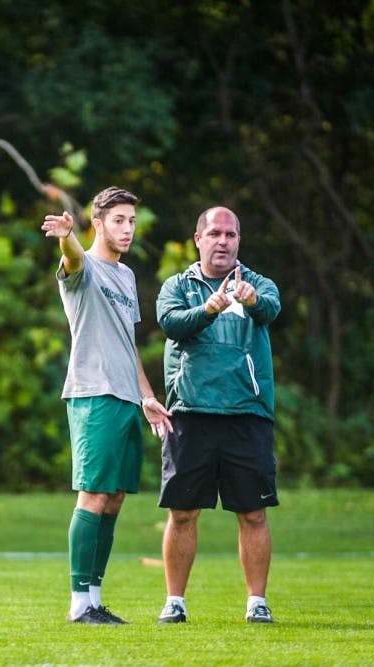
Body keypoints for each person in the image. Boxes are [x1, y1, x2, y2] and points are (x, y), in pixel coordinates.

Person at [42, 187, 173, 625]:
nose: (128, 229)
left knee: (114, 498)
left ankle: (95, 600)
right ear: (97, 223)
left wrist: (147, 395)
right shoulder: (83, 266)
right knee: (93, 495)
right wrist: (65, 236)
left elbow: (127, 343)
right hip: (93, 393)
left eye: (132, 221)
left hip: (124, 398)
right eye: (118, 220)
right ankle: (78, 604)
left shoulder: (128, 277)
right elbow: (74, 259)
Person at [154, 206, 281, 624]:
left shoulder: (257, 283)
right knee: (183, 513)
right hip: (190, 413)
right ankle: (175, 602)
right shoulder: (178, 285)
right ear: (198, 239)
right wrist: (208, 310)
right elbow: (170, 323)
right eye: (214, 233)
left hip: (247, 413)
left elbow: (271, 310)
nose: (222, 241)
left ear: (239, 241)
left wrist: (253, 299)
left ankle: (257, 602)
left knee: (253, 513)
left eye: (230, 234)